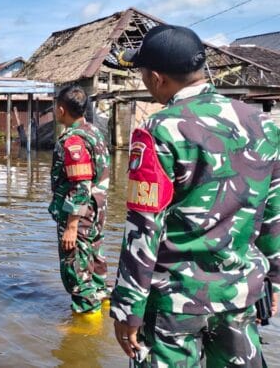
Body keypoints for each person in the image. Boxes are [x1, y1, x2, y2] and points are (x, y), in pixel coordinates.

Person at [110, 24, 280, 366]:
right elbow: (273, 212)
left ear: (157, 78)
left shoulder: (160, 130)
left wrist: (128, 307)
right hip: (241, 291)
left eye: (143, 73)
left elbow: (144, 229)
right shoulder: (264, 125)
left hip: (175, 302)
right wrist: (274, 280)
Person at [49, 84, 111, 314]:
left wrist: (71, 226)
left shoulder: (73, 141)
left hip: (80, 217)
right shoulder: (94, 132)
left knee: (76, 269)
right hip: (96, 212)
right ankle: (100, 309)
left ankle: (84, 328)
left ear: (62, 110)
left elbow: (81, 184)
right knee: (94, 263)